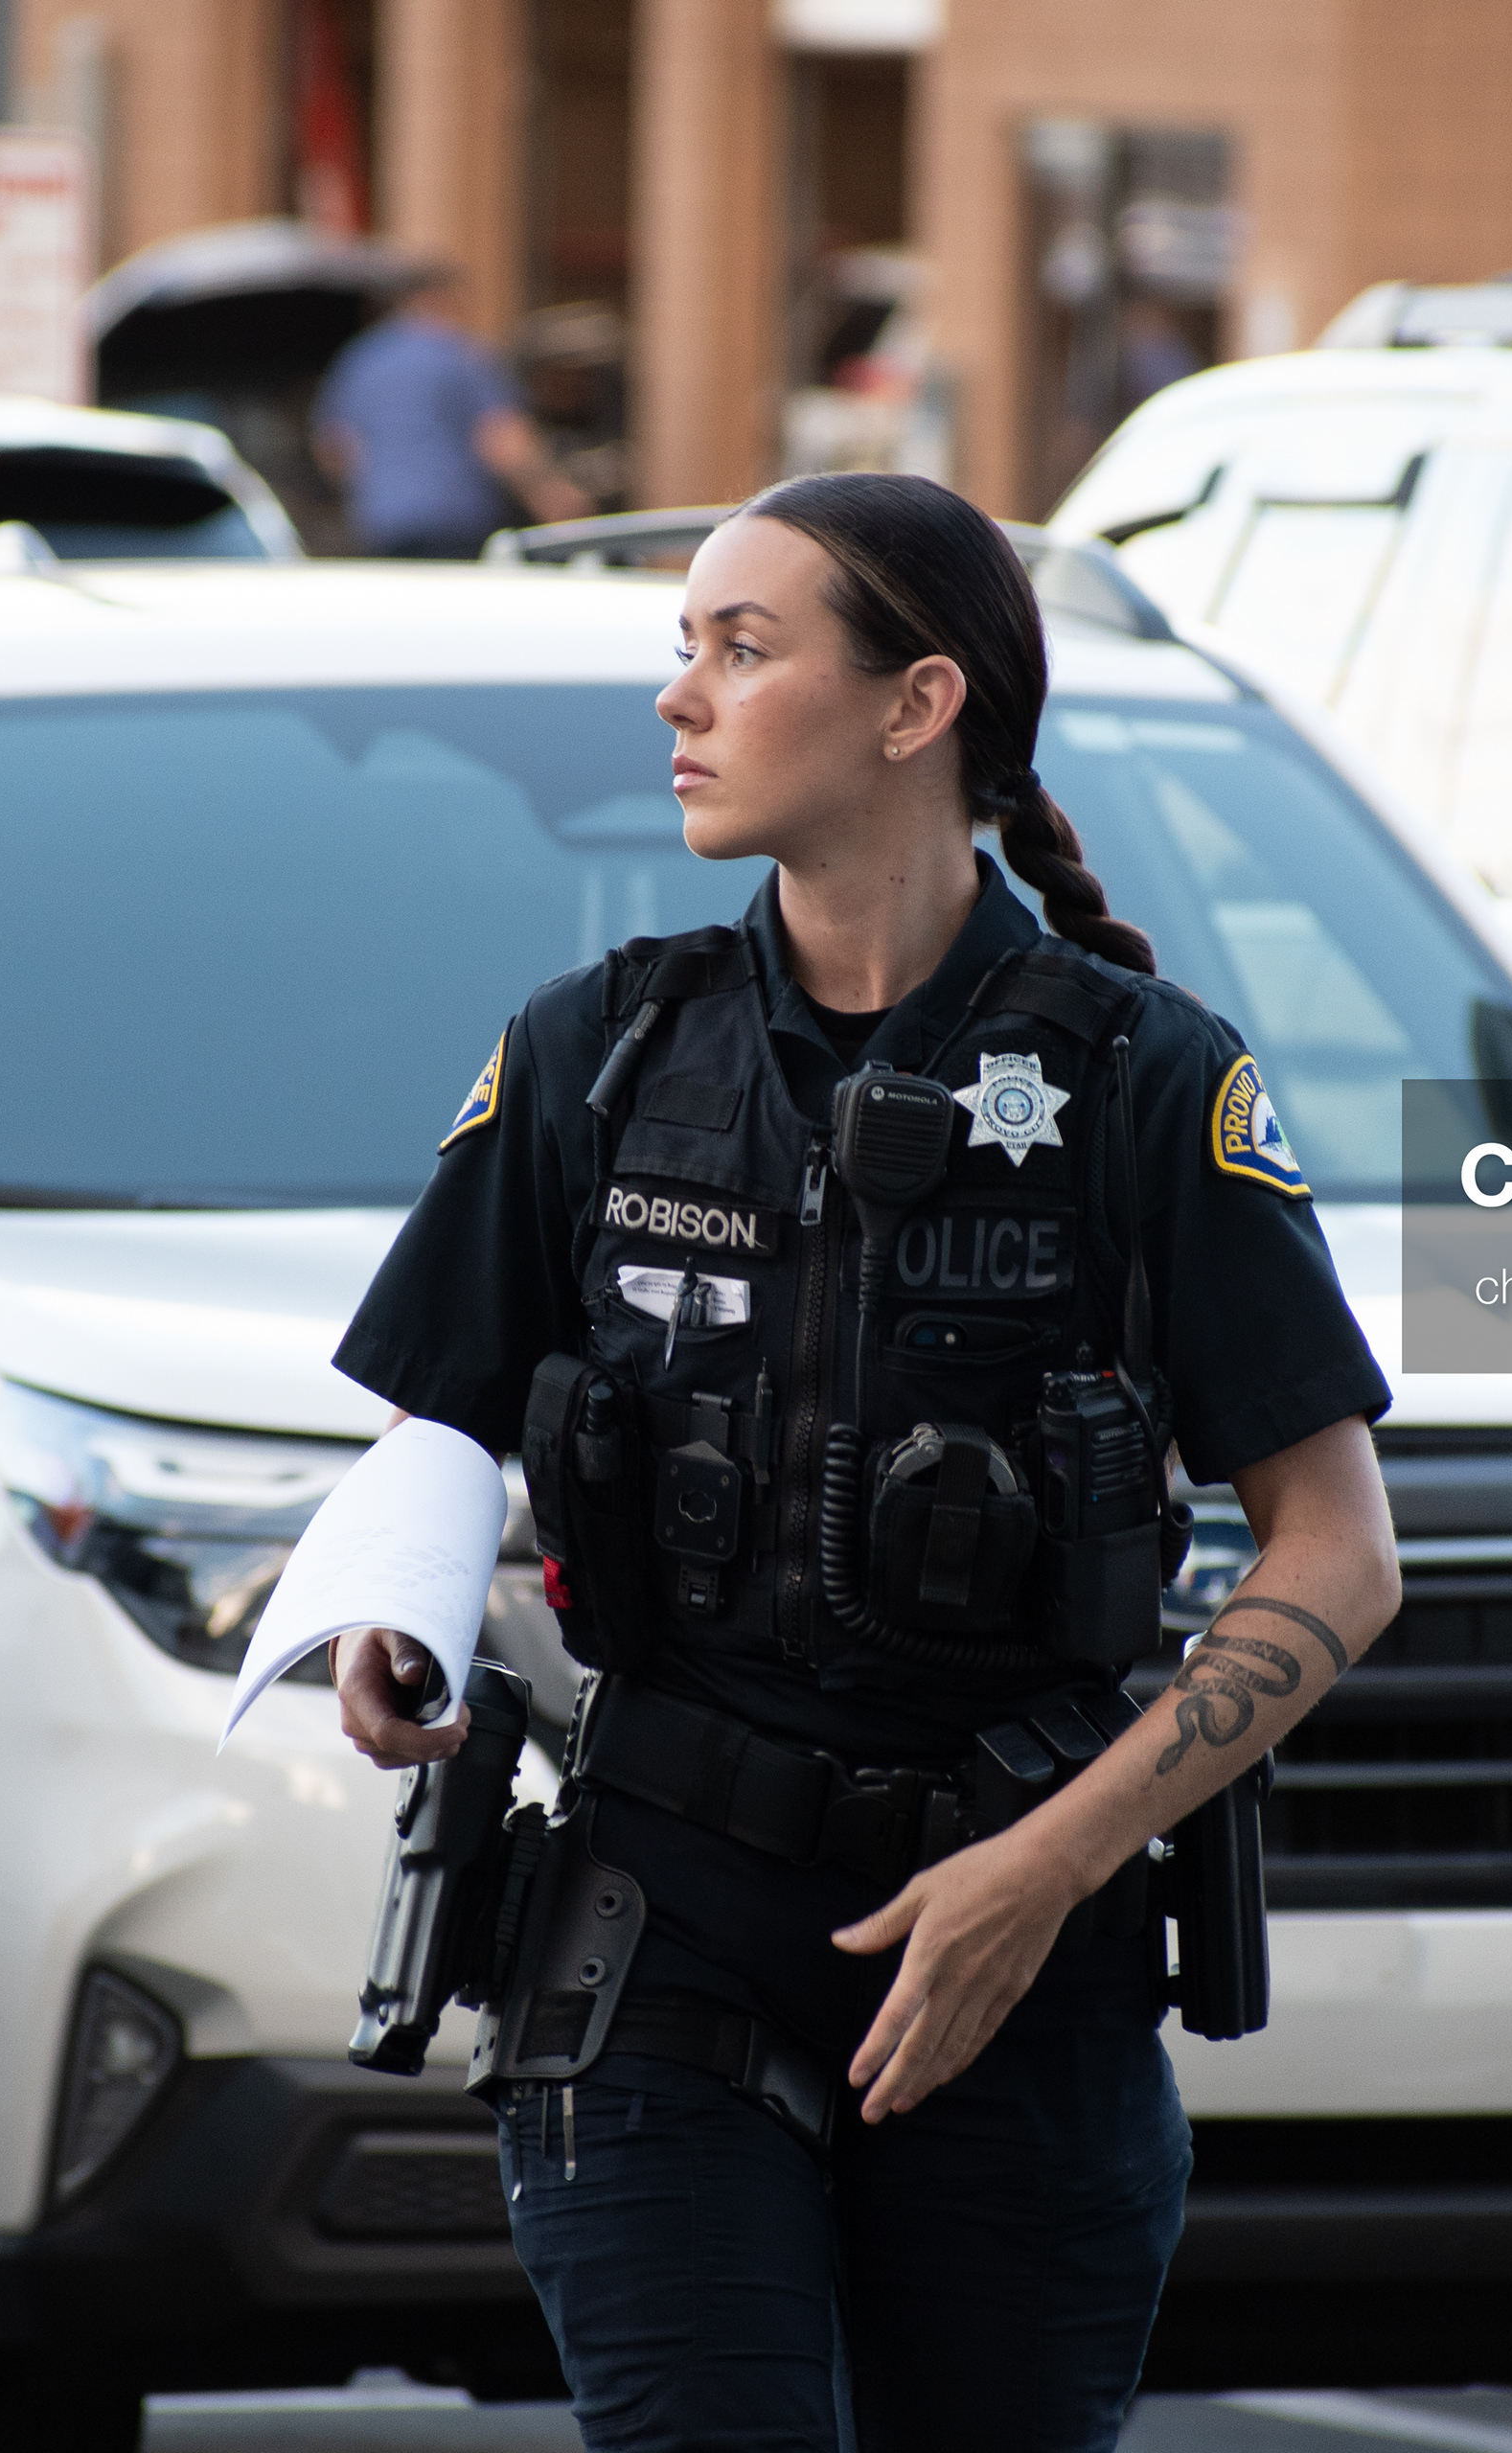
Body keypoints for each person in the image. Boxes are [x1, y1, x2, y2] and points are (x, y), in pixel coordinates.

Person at [328, 471, 1401, 2451]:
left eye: (744, 650)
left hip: (1025, 1955)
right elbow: (441, 1414)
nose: (681, 698)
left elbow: (1337, 1552)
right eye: (685, 649)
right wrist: (391, 1615)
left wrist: (1043, 1870)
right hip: (655, 1932)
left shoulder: (1146, 1079)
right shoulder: (597, 1052)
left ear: (919, 705)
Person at [311, 265, 592, 557]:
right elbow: (503, 440)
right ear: (441, 298)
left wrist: (380, 487)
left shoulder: (361, 360)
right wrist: (554, 500)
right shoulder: (462, 356)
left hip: (382, 526)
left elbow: (334, 450)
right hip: (453, 524)